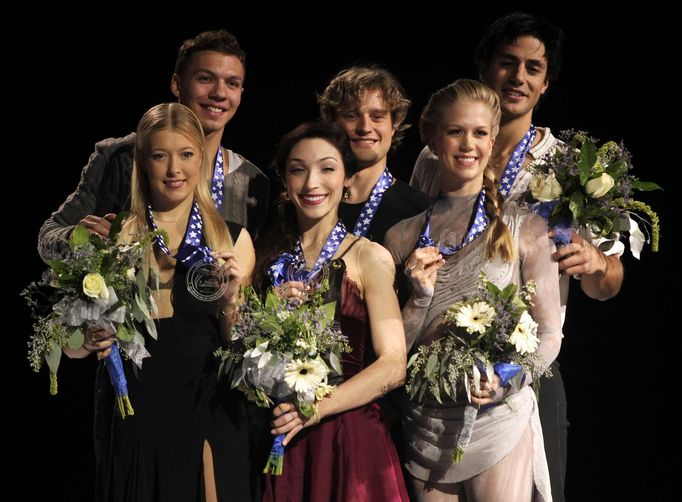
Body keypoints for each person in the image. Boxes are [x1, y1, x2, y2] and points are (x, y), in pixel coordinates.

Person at [408, 13, 624, 500]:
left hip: (527, 369)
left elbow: (609, 284)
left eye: (532, 68)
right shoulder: (434, 156)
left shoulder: (569, 165)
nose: (518, 77)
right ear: (484, 67)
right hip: (438, 371)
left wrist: (595, 263)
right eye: (508, 63)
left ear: (546, 83)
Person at [64, 103, 256, 501]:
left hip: (211, 412)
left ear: (201, 158)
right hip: (139, 416)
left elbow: (239, 347)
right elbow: (71, 347)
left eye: (186, 154)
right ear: (142, 162)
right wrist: (90, 337)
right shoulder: (112, 237)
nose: (174, 170)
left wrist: (232, 297)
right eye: (160, 155)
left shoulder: (233, 240)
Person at [385, 79, 561, 501]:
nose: (469, 144)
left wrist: (506, 383)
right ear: (433, 139)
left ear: (492, 138)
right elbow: (394, 352)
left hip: (498, 416)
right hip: (426, 423)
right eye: (456, 131)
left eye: (480, 133)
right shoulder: (400, 236)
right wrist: (420, 299)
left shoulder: (527, 228)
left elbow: (550, 333)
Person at [256, 122, 409, 501]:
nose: (312, 183)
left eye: (326, 168)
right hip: (285, 438)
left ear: (347, 181)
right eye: (297, 169)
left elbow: (393, 366)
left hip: (349, 439)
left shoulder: (368, 256)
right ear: (284, 182)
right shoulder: (267, 260)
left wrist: (316, 410)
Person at [38, 29, 269, 263]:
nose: (219, 93)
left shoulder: (251, 181)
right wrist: (77, 239)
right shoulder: (120, 157)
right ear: (177, 84)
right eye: (205, 79)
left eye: (232, 83)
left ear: (241, 93)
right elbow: (49, 234)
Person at [319, 65, 431, 245]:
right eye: (351, 115)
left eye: (377, 116)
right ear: (332, 123)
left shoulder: (419, 212)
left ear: (394, 125)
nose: (364, 127)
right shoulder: (309, 200)